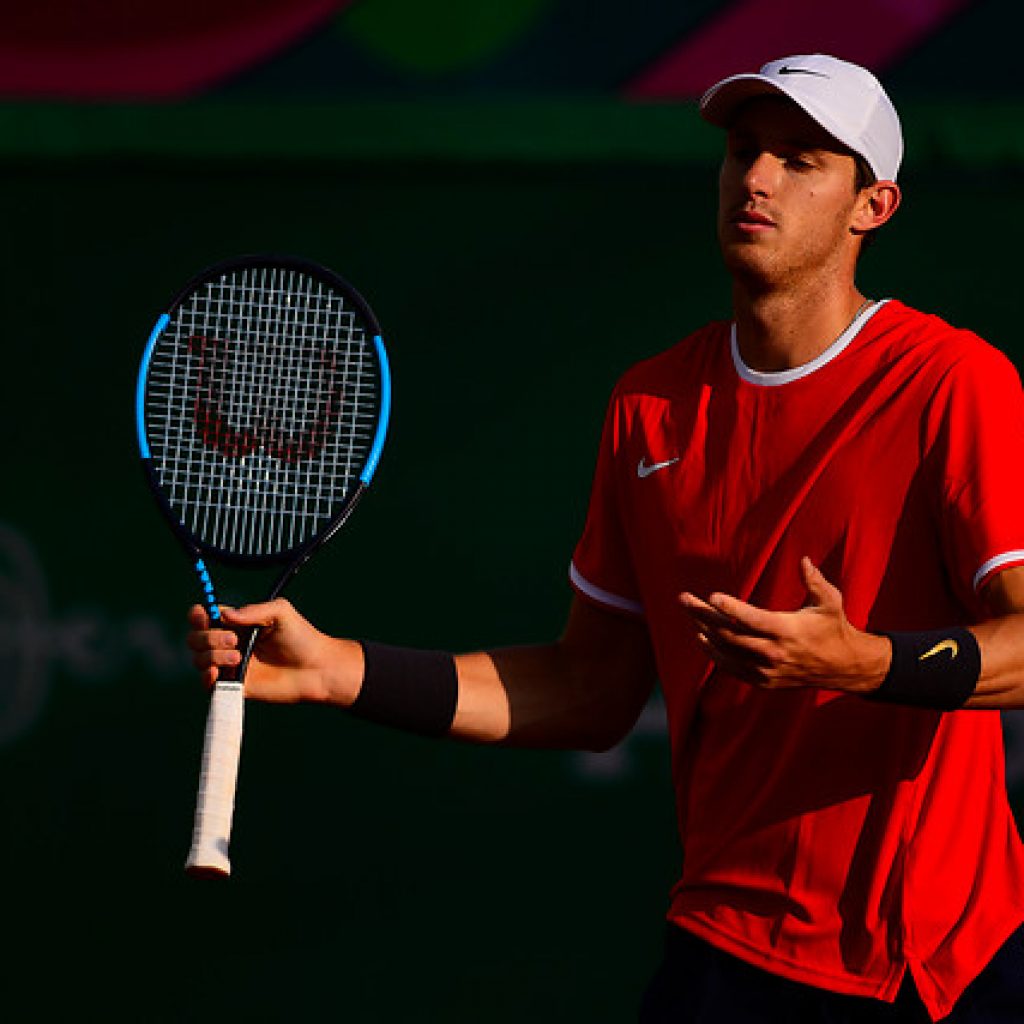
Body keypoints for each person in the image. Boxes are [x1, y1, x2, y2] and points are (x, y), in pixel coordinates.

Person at [188, 54, 1024, 1022]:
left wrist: (865, 660)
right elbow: (588, 688)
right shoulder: (649, 406)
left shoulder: (952, 384)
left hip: (936, 966)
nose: (754, 179)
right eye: (742, 152)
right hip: (726, 943)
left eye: (799, 160)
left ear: (870, 207)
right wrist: (337, 668)